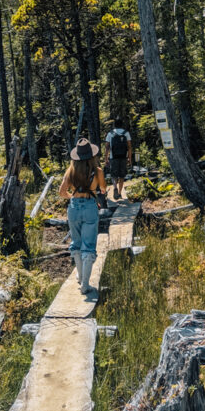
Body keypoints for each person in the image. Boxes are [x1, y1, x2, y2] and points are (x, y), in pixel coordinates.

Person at [59, 137, 107, 294]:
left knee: (76, 243)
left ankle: (79, 277)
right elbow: (104, 189)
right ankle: (85, 284)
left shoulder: (70, 171)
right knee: (89, 245)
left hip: (73, 208)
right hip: (90, 207)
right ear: (91, 156)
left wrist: (72, 196)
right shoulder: (98, 171)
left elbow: (61, 192)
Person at [105, 118, 132, 200]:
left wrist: (106, 158)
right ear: (122, 125)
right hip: (123, 157)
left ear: (114, 125)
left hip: (113, 157)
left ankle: (115, 187)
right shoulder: (126, 133)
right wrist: (129, 158)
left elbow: (107, 147)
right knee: (122, 176)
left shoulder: (110, 134)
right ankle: (120, 193)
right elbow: (129, 147)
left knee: (114, 175)